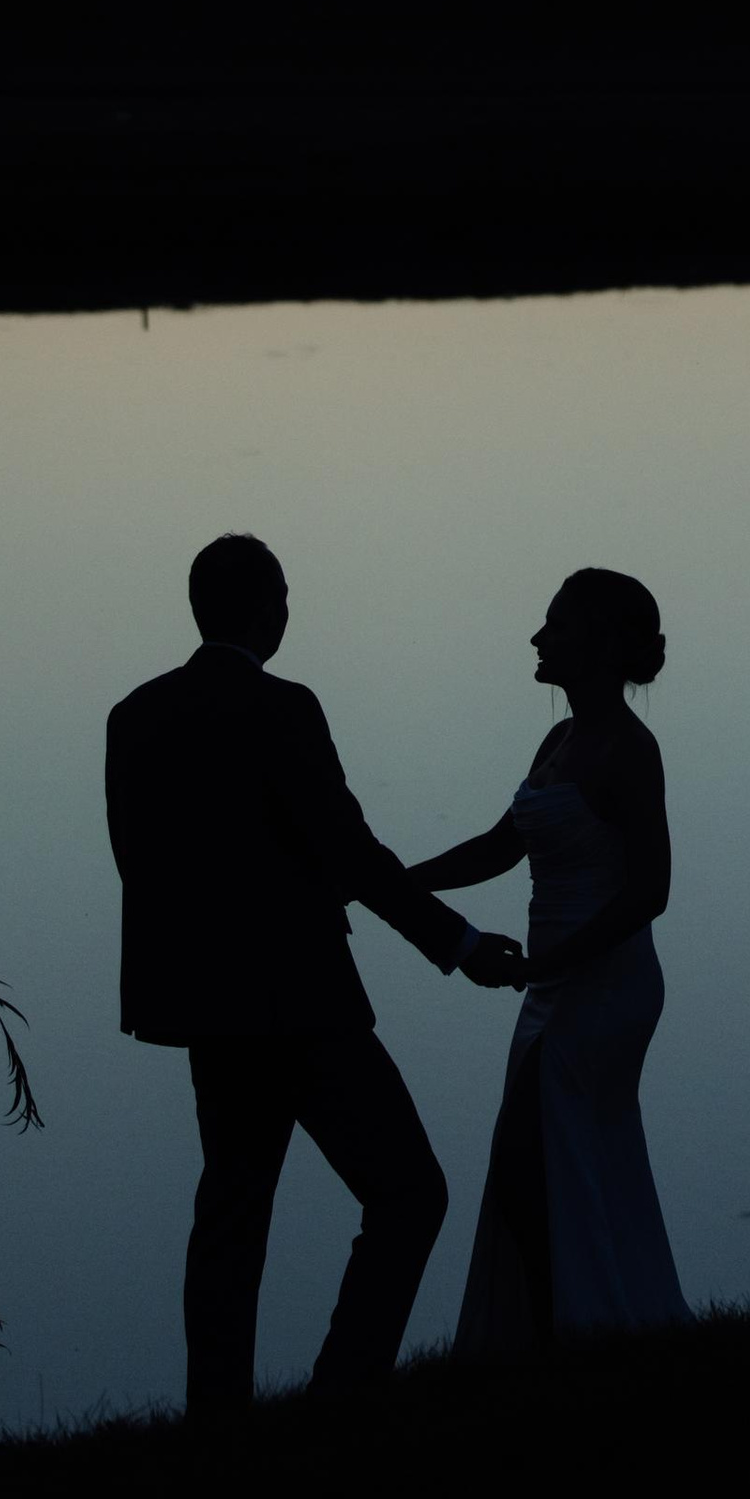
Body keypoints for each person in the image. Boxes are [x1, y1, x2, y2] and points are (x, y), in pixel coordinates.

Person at [104, 532, 525, 1412]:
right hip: (302, 1004)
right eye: (285, 600)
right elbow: (349, 850)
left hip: (207, 1012)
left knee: (231, 1216)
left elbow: (136, 863)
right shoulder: (285, 709)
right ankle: (346, 1386)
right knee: (410, 1192)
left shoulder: (133, 716)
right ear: (266, 609)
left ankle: (216, 1411)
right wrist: (458, 944)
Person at [409, 566, 690, 1352]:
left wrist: (546, 963)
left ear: (598, 644)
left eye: (557, 626)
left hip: (603, 985)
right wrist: (397, 883)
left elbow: (651, 892)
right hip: (553, 982)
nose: (538, 638)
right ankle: (571, 1325)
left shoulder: (632, 751)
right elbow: (502, 845)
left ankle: (573, 1327)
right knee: (553, 1160)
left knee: (540, 1156)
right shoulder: (560, 738)